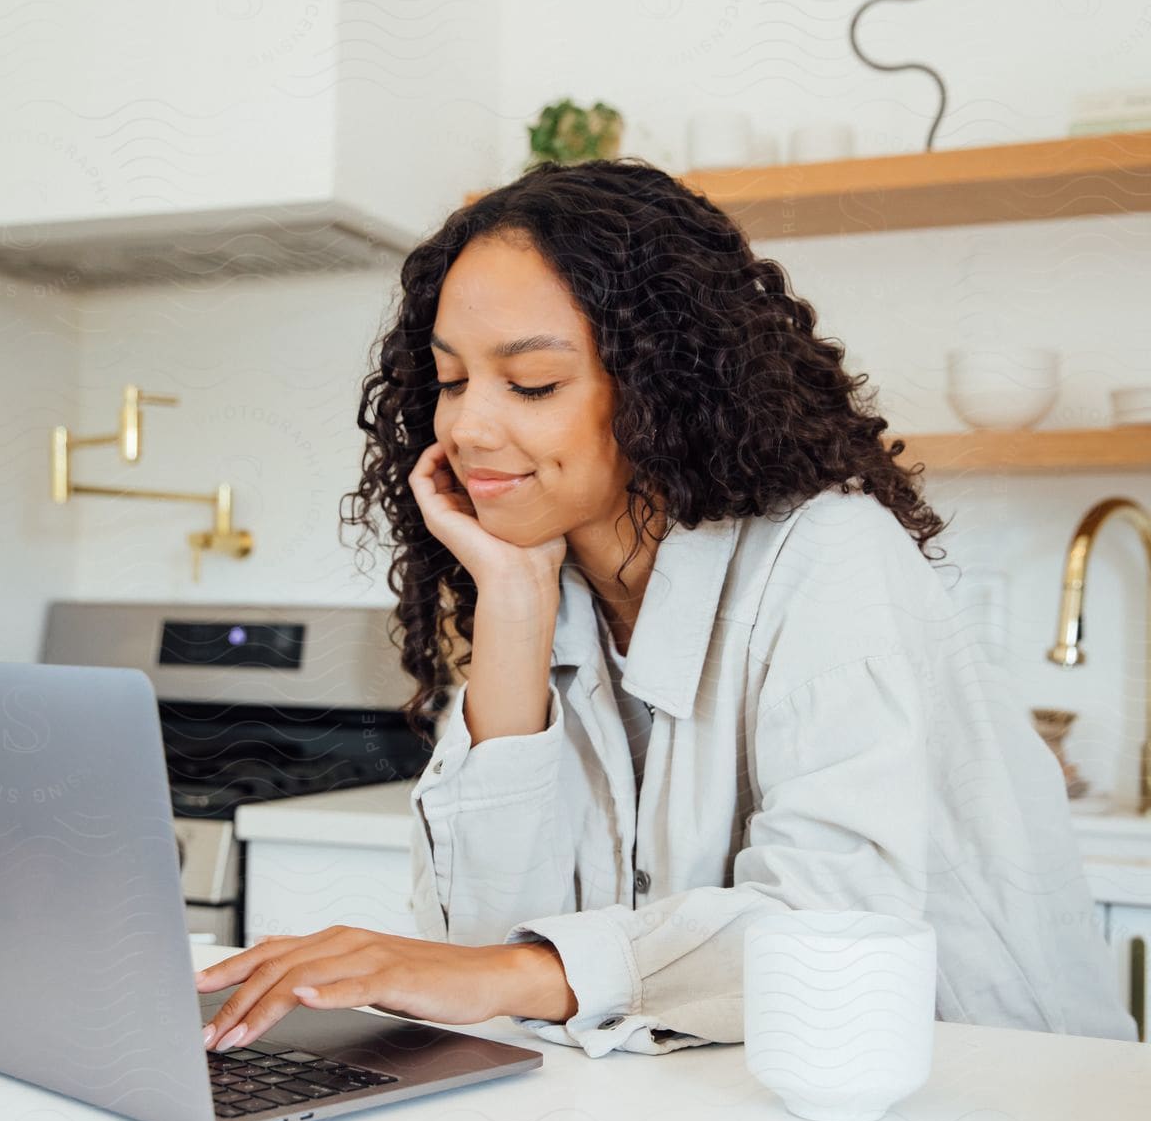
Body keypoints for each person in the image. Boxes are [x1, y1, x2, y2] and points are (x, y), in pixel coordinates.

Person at [197, 159, 1137, 1055]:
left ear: (662, 386)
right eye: (451, 380)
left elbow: (826, 928)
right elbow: (474, 943)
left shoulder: (828, 556)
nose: (468, 425)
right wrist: (514, 604)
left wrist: (506, 973)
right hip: (722, 1103)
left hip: (983, 1096)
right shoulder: (550, 585)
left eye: (531, 383)